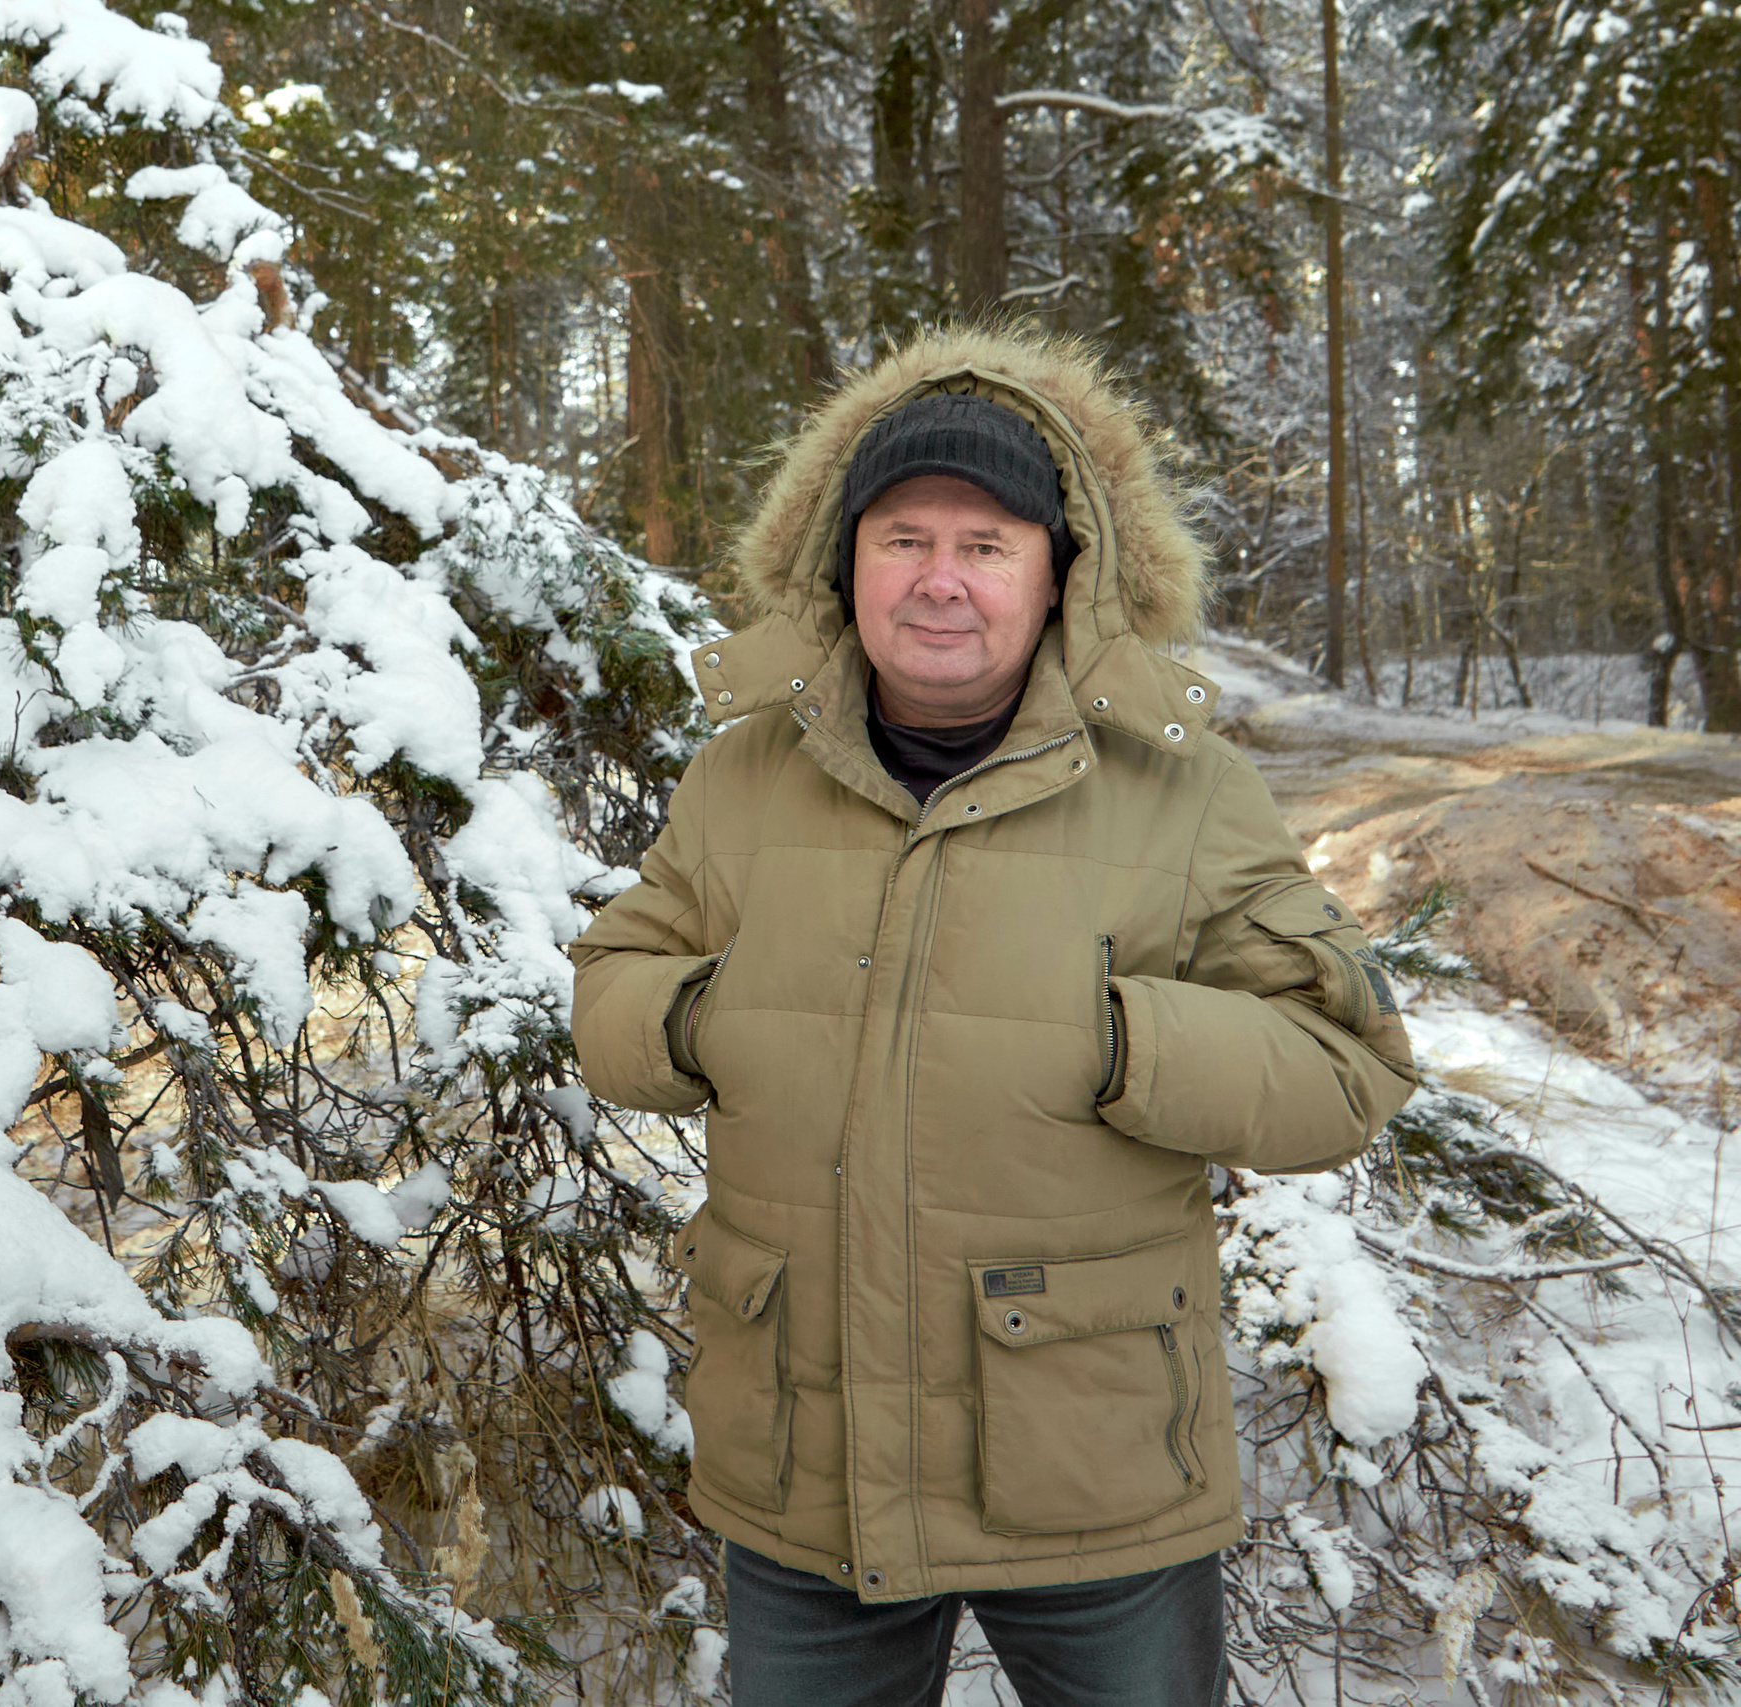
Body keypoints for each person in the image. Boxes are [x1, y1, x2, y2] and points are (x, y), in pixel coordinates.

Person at [567, 324, 1419, 1707]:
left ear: (1061, 574)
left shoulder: (1181, 795)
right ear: (842, 563)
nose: (940, 582)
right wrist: (699, 1022)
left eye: (987, 544)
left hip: (1088, 1468)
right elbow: (611, 985)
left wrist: (1123, 1044)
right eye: (904, 538)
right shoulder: (742, 782)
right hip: (807, 1466)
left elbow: (1346, 1069)